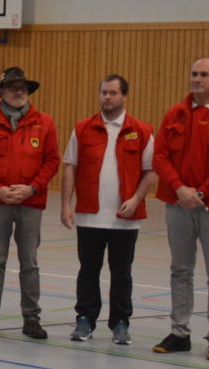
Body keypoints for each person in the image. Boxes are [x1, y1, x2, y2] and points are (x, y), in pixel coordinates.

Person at [149, 57, 209, 361]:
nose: (197, 79)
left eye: (204, 74)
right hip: (178, 203)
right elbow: (160, 156)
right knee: (180, 270)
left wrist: (201, 193)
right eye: (194, 74)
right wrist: (179, 188)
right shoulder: (175, 114)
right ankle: (180, 333)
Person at [59, 75, 157, 346]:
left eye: (113, 93)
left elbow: (151, 171)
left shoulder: (142, 130)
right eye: (104, 92)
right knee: (88, 270)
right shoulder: (82, 128)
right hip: (89, 215)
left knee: (121, 272)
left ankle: (121, 322)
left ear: (124, 96)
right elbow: (70, 167)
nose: (107, 97)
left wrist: (136, 199)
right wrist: (66, 204)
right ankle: (85, 319)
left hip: (125, 219)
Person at [0, 66, 59, 339]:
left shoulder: (45, 122)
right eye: (12, 87)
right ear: (2, 92)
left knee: (29, 261)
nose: (19, 91)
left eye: (22, 87)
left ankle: (32, 318)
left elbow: (52, 161)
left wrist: (32, 188)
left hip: (31, 201)